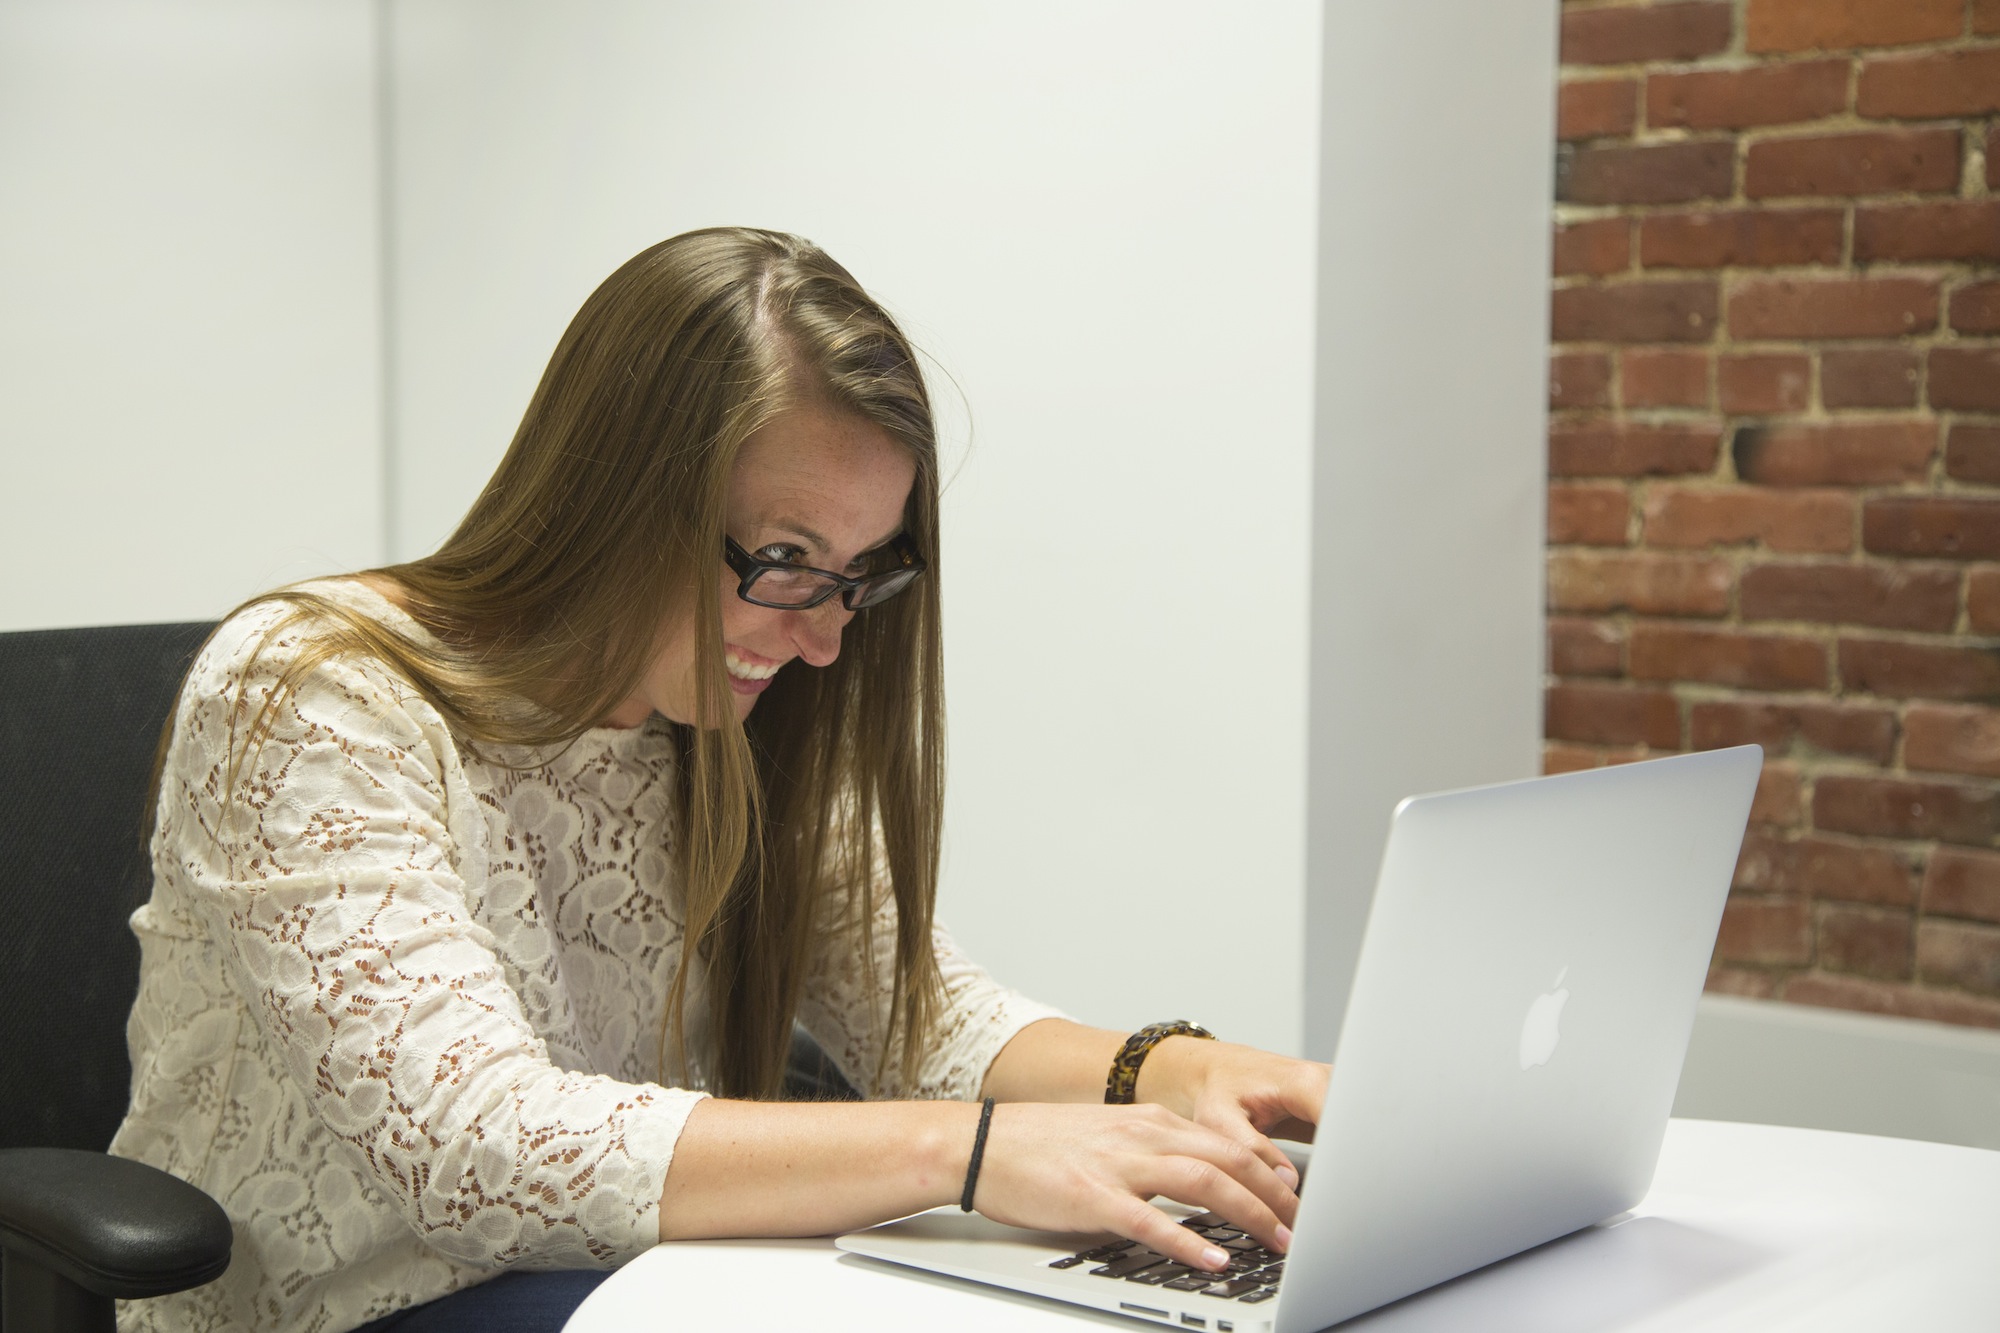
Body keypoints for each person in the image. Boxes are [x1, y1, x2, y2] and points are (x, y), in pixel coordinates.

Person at [108, 227, 1329, 1333]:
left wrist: (1181, 1076)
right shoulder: (310, 690)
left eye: (857, 572)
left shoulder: (726, 713)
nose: (825, 637)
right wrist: (973, 1155)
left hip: (627, 1279)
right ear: (616, 500)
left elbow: (925, 1019)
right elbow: (467, 1148)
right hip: (349, 1308)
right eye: (786, 559)